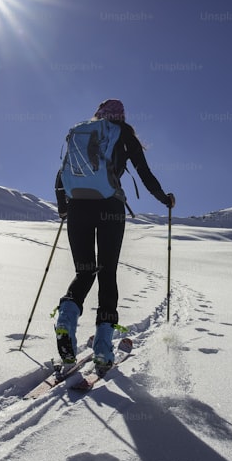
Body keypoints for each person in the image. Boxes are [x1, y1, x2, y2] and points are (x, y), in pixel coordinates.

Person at [54, 98, 175, 372]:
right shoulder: (124, 135)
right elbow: (144, 173)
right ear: (121, 117)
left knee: (84, 271)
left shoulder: (80, 133)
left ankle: (65, 320)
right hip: (110, 207)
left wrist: (64, 208)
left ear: (98, 114)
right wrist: (164, 198)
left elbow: (61, 175)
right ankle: (103, 349)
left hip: (78, 207)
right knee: (107, 273)